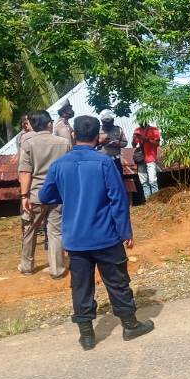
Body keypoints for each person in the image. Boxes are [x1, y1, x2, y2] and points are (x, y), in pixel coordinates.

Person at [39, 116, 154, 351]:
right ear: (97, 137)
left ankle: (87, 336)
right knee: (117, 282)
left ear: (74, 135)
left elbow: (45, 197)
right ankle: (130, 326)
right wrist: (125, 231)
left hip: (75, 239)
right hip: (106, 236)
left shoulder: (59, 165)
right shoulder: (104, 163)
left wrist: (68, 196)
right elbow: (118, 200)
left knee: (81, 286)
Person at [18, 110, 71, 278]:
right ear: (49, 124)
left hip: (36, 194)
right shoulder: (64, 143)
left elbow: (25, 172)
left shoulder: (28, 143)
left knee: (30, 229)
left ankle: (27, 266)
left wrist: (24, 196)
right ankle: (57, 270)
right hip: (58, 194)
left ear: (32, 125)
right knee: (56, 231)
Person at [132, 121, 161, 199]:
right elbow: (133, 145)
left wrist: (145, 139)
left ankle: (156, 200)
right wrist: (134, 138)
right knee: (144, 182)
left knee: (152, 181)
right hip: (141, 159)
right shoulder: (137, 130)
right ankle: (148, 201)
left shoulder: (154, 130)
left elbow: (157, 144)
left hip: (150, 158)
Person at [97, 109, 128, 175]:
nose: (107, 124)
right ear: (102, 121)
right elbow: (92, 144)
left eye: (109, 122)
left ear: (113, 120)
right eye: (105, 123)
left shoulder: (118, 129)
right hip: (102, 160)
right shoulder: (97, 130)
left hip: (115, 160)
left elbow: (125, 143)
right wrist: (100, 142)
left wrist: (118, 144)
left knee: (118, 179)